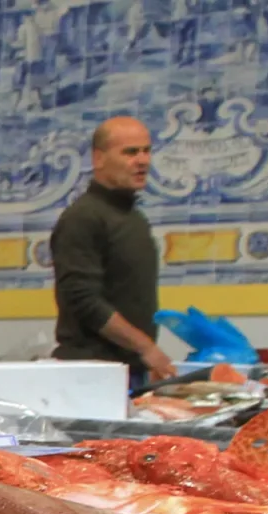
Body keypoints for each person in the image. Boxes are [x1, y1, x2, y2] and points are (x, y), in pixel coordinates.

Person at [51, 116, 173, 384]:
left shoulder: (134, 219)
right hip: (91, 374)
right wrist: (145, 347)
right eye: (130, 152)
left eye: (146, 151)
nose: (142, 161)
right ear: (99, 158)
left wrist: (143, 355)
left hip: (129, 370)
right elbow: (83, 300)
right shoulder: (83, 218)